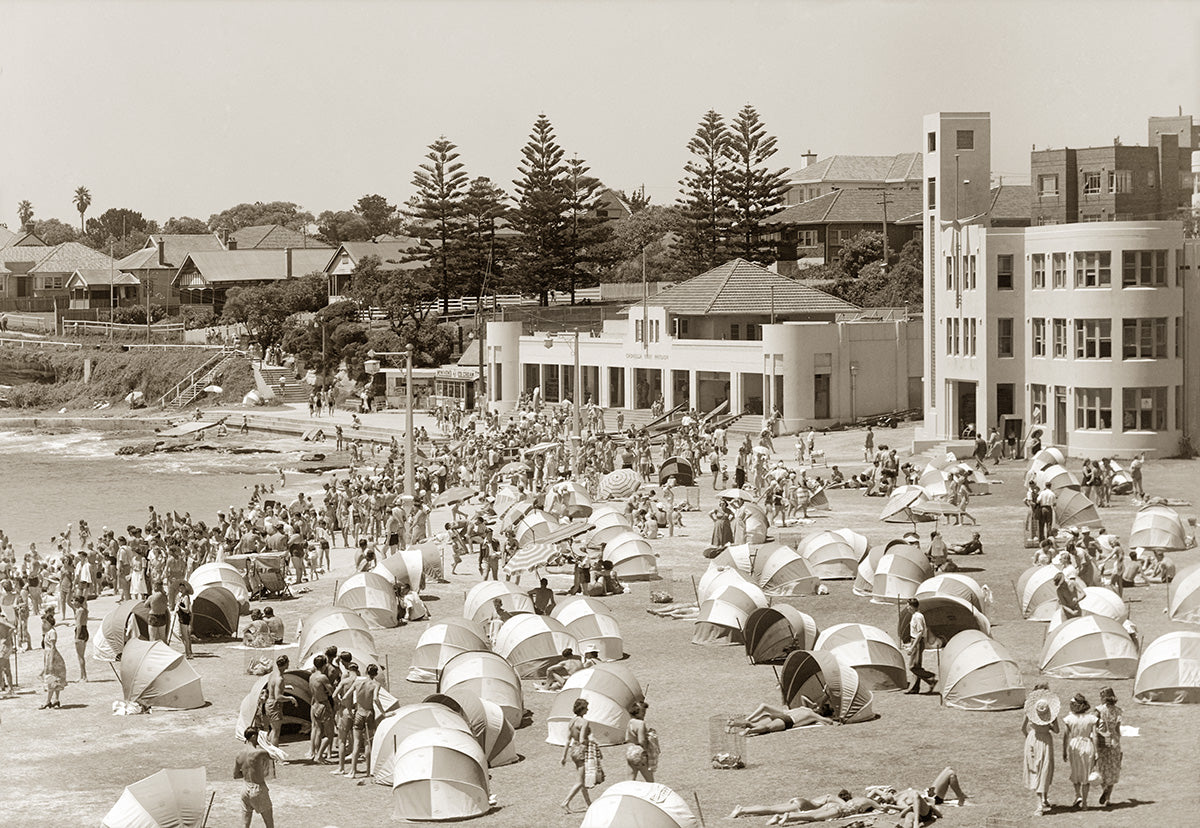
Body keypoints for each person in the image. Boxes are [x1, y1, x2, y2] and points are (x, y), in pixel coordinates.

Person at [1024, 689, 1060, 816]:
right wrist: (1049, 725)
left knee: (1037, 770)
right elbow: (1057, 730)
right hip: (1045, 742)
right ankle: (1040, 803)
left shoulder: (1028, 713)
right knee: (1044, 769)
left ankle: (1042, 800)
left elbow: (1023, 729)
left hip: (1033, 740)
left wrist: (1030, 739)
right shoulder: (1052, 716)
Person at [1062, 692, 1098, 810]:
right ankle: (1085, 803)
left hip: (1074, 746)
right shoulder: (1091, 718)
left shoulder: (1069, 719)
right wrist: (1096, 751)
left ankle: (1078, 795)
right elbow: (1095, 736)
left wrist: (1064, 751)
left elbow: (1066, 736)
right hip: (1088, 745)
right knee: (1086, 775)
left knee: (1076, 772)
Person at [234, 728, 275, 828]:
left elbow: (236, 775)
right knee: (269, 824)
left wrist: (249, 773)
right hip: (258, 789)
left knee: (245, 824)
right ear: (253, 737)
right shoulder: (259, 753)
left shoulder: (239, 754)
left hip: (245, 789)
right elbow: (275, 755)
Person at [560, 698, 594, 813]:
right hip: (580, 750)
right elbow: (582, 739)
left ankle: (589, 804)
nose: (587, 710)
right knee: (580, 781)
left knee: (582, 779)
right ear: (582, 709)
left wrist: (563, 757)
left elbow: (567, 740)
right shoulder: (584, 722)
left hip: (573, 750)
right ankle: (565, 802)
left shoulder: (572, 721)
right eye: (586, 708)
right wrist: (592, 744)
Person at [348, 663, 380, 778]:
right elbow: (375, 698)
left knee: (356, 743)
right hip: (369, 713)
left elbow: (347, 695)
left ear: (366, 672)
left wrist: (350, 707)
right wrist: (383, 712)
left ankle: (353, 772)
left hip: (359, 713)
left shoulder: (358, 682)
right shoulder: (375, 684)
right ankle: (368, 771)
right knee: (368, 743)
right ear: (375, 674)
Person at [1093, 686, 1122, 807]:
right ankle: (1108, 798)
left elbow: (1094, 727)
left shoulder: (1099, 710)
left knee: (1102, 769)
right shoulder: (1118, 711)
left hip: (1102, 741)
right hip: (1114, 742)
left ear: (1103, 697)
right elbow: (1117, 729)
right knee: (1113, 769)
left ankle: (1104, 788)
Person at [738, 703, 835, 735]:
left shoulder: (805, 708)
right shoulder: (812, 715)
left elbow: (803, 698)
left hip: (781, 715)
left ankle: (735, 723)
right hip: (787, 720)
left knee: (755, 723)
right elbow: (829, 722)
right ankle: (750, 731)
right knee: (767, 728)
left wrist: (813, 704)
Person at [904, 598, 936, 694]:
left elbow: (919, 632)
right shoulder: (915, 615)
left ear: (912, 606)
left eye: (908, 605)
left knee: (912, 667)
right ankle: (914, 688)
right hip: (916, 641)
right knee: (917, 666)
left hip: (917, 642)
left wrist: (912, 647)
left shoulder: (917, 617)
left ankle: (931, 678)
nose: (907, 607)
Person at [307, 654, 334, 765]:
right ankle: (319, 755)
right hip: (323, 705)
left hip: (315, 704)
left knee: (318, 731)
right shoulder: (322, 677)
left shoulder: (311, 676)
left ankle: (318, 754)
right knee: (330, 734)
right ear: (323, 665)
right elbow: (332, 691)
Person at [624, 700, 656, 782]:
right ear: (637, 712)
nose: (644, 713)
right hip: (640, 752)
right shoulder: (640, 723)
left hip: (630, 750)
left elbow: (628, 738)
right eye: (643, 711)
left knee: (630, 779)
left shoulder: (630, 722)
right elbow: (641, 741)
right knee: (649, 780)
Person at [264, 655, 292, 747]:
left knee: (273, 729)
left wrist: (285, 687)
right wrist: (290, 699)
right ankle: (275, 757)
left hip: (269, 703)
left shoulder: (272, 674)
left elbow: (271, 687)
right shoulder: (279, 679)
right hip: (275, 705)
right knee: (276, 732)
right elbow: (278, 697)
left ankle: (270, 753)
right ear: (286, 664)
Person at [39, 627, 67, 709]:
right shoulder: (48, 632)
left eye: (44, 622)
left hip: (52, 657)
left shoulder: (51, 632)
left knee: (51, 680)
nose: (42, 624)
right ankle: (56, 700)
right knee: (55, 680)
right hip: (50, 656)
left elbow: (53, 647)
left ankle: (48, 701)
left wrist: (50, 662)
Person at [175, 581, 193, 659]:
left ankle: (188, 653)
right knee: (184, 635)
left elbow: (187, 610)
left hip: (184, 618)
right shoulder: (181, 597)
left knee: (185, 636)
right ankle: (188, 651)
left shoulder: (186, 597)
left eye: (182, 588)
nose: (181, 589)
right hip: (181, 617)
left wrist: (179, 606)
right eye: (180, 588)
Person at [72, 595, 88, 681]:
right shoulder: (85, 610)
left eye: (74, 601)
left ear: (78, 602)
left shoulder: (79, 611)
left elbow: (78, 624)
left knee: (80, 656)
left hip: (80, 632)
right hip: (85, 630)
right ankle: (82, 676)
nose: (73, 603)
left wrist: (77, 637)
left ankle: (84, 676)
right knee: (81, 656)